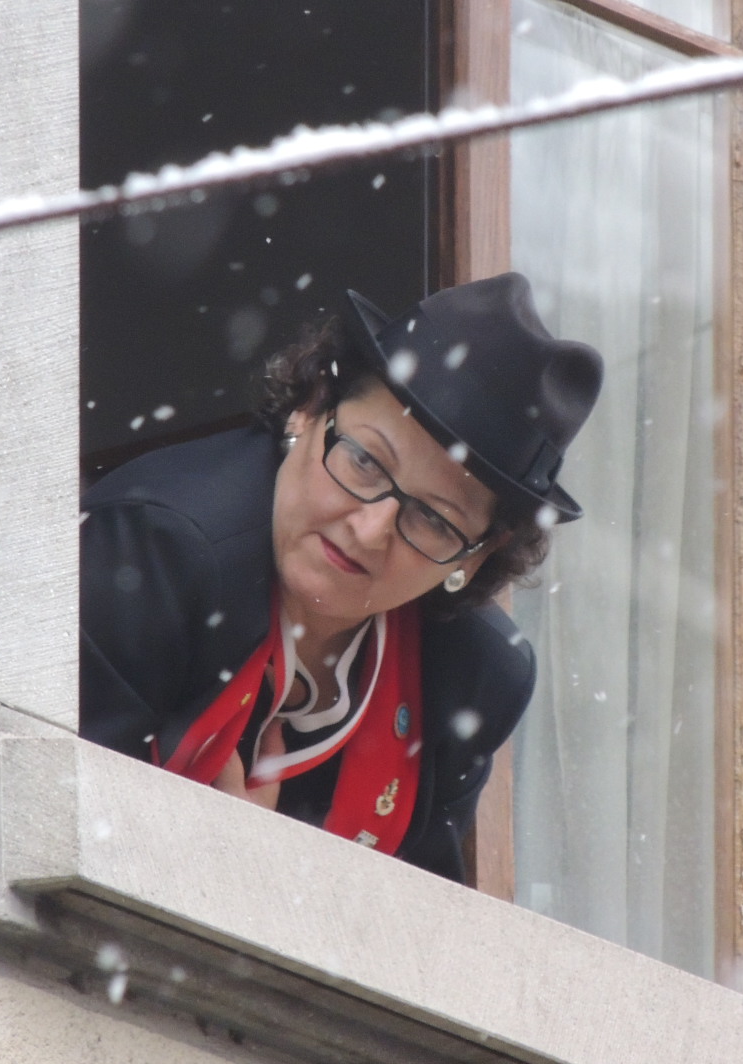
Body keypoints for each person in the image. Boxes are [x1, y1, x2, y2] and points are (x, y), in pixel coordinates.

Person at [79, 272, 602, 882]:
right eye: (365, 461)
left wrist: (260, 879)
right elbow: (57, 832)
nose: (371, 527)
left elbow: (417, 921)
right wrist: (226, 871)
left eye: (433, 518)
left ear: (476, 556)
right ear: (310, 408)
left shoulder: (473, 677)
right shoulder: (158, 549)